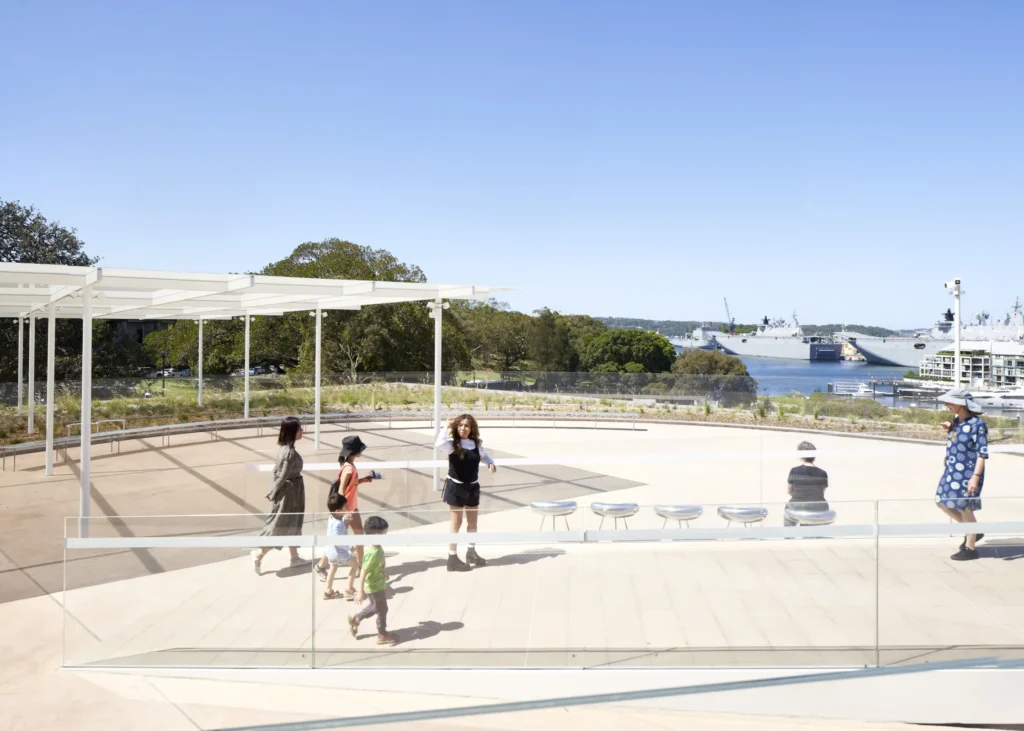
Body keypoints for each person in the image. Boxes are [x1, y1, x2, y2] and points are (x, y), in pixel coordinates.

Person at [436, 414, 496, 572]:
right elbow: (439, 444)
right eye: (460, 425)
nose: (463, 428)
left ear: (471, 429)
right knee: (456, 524)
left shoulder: (475, 444)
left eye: (466, 426)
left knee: (472, 523)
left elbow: (484, 456)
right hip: (456, 487)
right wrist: (447, 426)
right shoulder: (452, 444)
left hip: (472, 487)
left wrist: (490, 462)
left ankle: (471, 552)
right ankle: (452, 558)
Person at [935, 389, 989, 561]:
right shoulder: (957, 421)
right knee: (941, 501)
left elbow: (982, 453)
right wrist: (949, 429)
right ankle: (973, 531)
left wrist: (976, 477)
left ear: (960, 404)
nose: (946, 405)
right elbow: (960, 441)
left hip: (968, 473)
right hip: (952, 470)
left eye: (949, 403)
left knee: (965, 508)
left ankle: (970, 548)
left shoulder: (977, 424)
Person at [252, 416, 306, 574]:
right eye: (299, 429)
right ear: (292, 432)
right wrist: (273, 492)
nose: (301, 431)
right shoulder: (288, 453)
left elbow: (277, 471)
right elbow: (282, 474)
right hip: (290, 493)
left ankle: (294, 557)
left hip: (293, 490)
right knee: (281, 524)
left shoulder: (284, 449)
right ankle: (259, 555)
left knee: (292, 522)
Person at [348, 515, 397, 645]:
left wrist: (383, 571)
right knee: (382, 609)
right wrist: (360, 591)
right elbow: (363, 571)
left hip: (377, 583)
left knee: (376, 607)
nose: (385, 535)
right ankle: (382, 635)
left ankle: (357, 618)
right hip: (374, 586)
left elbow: (378, 564)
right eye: (383, 533)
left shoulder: (376, 548)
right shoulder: (373, 552)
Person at [336, 435, 375, 574]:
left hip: (352, 507)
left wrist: (363, 480)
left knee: (359, 534)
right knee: (337, 538)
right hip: (347, 508)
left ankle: (361, 565)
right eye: (360, 449)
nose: (361, 451)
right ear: (354, 451)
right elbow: (341, 488)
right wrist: (344, 510)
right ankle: (322, 565)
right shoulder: (349, 469)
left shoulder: (349, 466)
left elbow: (349, 485)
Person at [316, 492, 359, 600]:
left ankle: (328, 590)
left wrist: (345, 519)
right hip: (339, 553)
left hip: (330, 552)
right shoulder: (339, 524)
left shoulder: (331, 518)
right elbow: (337, 539)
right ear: (338, 511)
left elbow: (337, 526)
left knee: (332, 569)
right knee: (355, 564)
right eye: (345, 507)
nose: (347, 509)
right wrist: (350, 547)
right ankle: (350, 589)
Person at [785, 441, 829, 526]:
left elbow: (789, 491)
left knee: (788, 513)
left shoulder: (794, 471)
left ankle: (789, 536)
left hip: (797, 505)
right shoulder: (823, 473)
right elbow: (821, 492)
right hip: (818, 506)